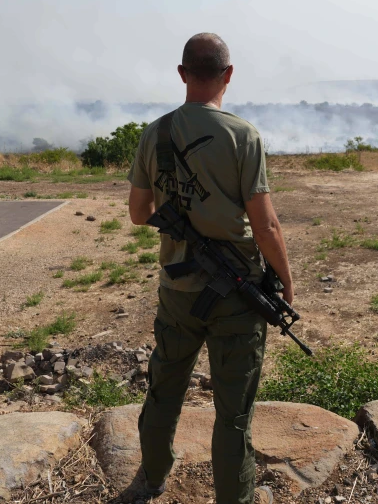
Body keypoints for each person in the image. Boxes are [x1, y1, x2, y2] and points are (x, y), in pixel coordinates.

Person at [127, 33, 293, 504]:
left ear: (181, 74)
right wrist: (285, 279)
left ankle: (153, 478)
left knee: (164, 389)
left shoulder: (154, 133)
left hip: (178, 289)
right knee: (233, 413)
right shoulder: (244, 136)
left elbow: (139, 214)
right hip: (236, 295)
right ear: (229, 74)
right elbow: (266, 225)